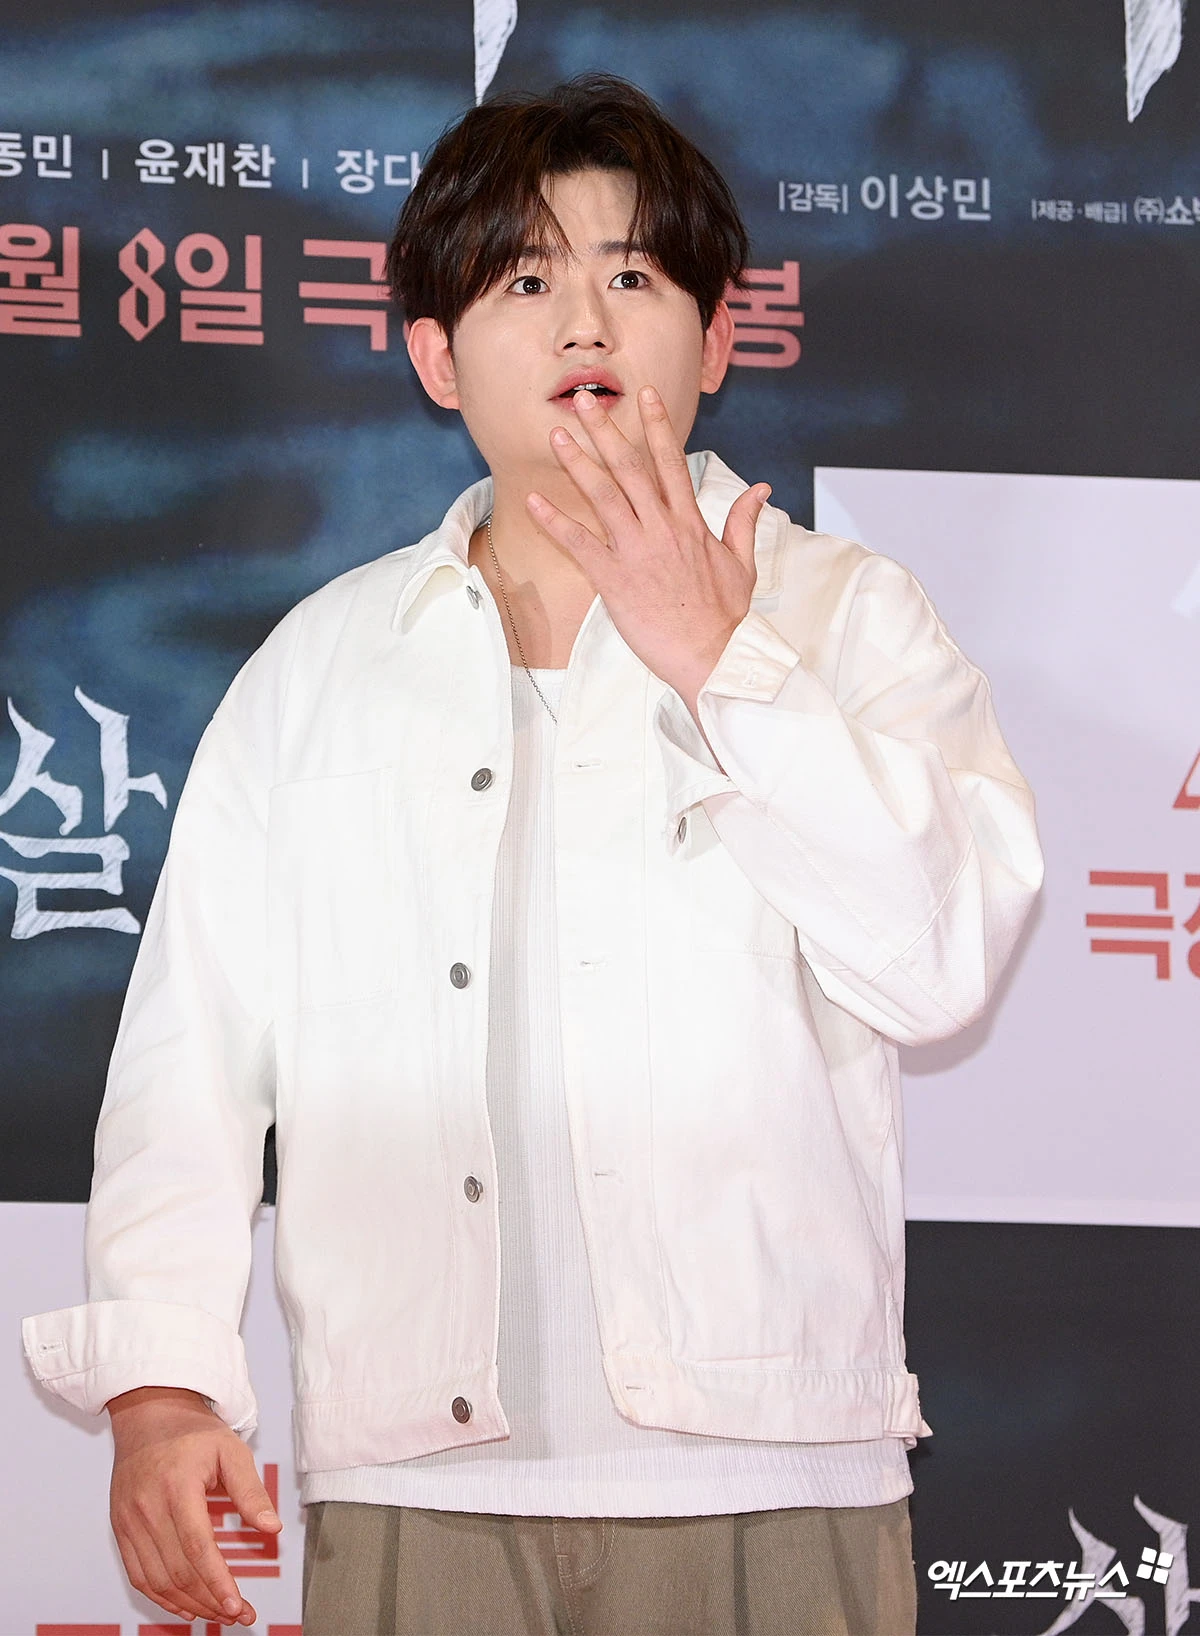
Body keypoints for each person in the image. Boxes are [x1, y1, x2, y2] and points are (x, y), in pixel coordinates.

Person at [23, 74, 1042, 1635]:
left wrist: (725, 662)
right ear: (436, 356)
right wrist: (161, 1388)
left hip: (769, 1473)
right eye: (522, 280)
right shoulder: (322, 666)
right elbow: (191, 1055)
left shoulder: (848, 617)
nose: (583, 322)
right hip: (417, 1483)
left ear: (717, 337)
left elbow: (942, 966)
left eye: (633, 275)